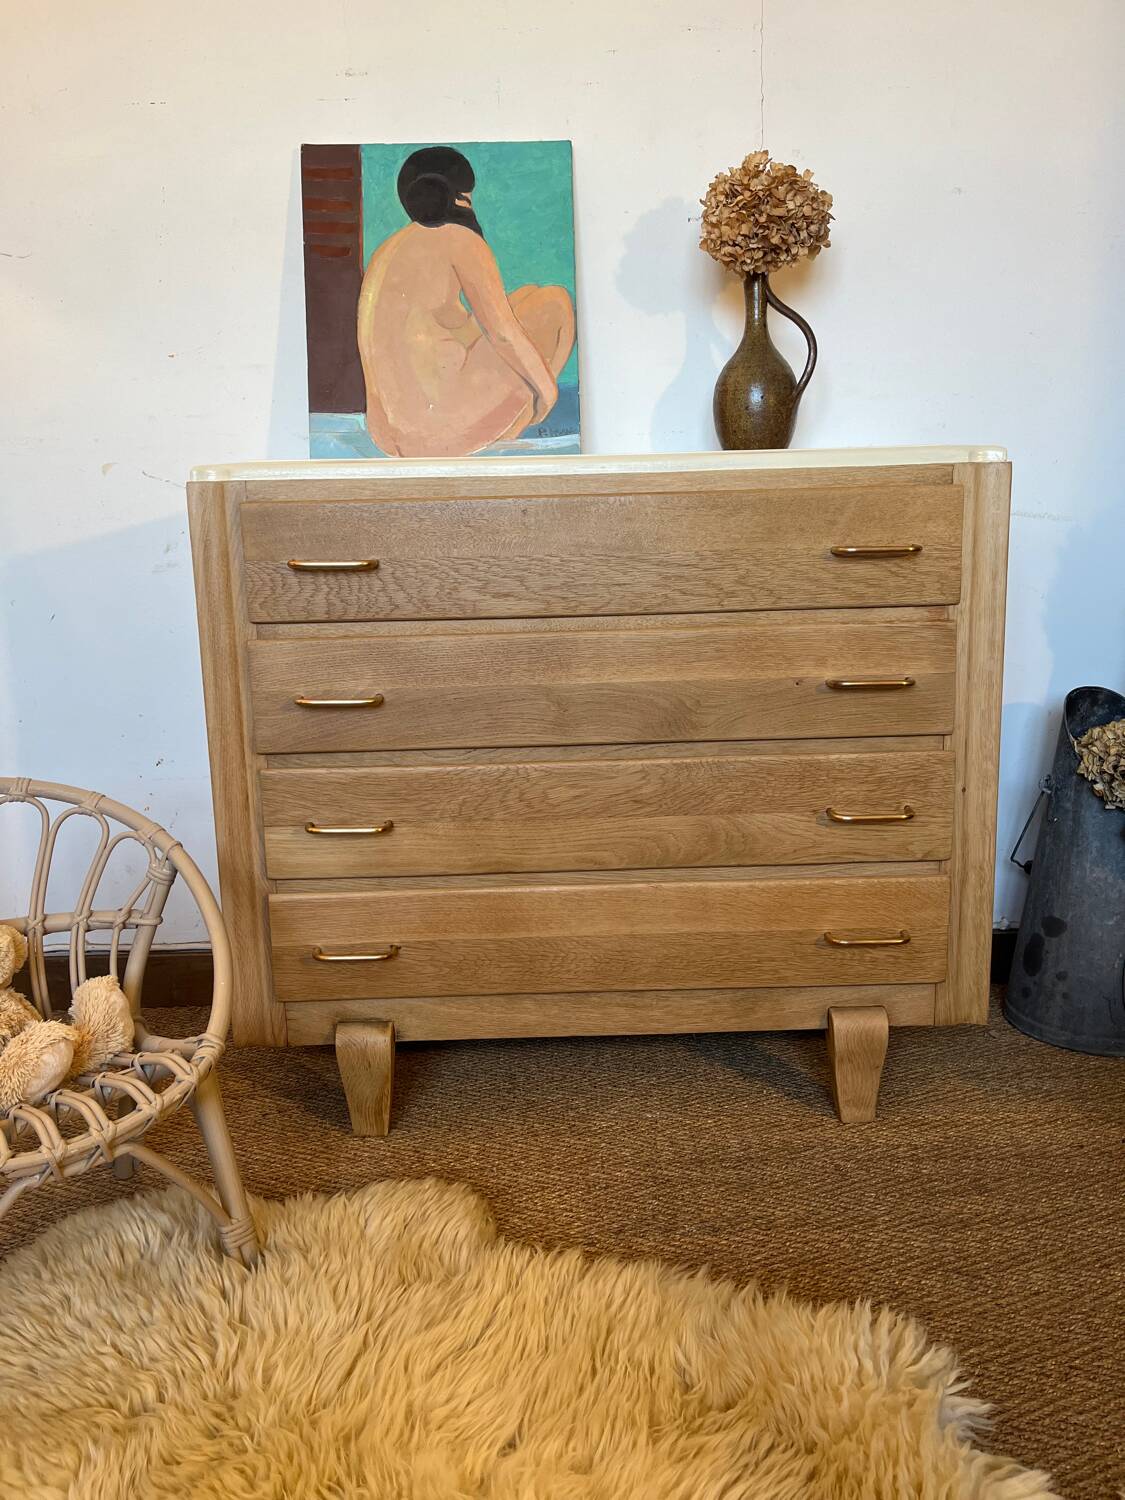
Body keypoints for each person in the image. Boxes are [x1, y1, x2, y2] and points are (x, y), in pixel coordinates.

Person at [357, 146, 575, 457]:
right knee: (554, 302)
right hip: (435, 432)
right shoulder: (461, 239)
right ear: (460, 196)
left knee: (526, 295)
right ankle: (508, 433)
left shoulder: (389, 248)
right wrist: (547, 390)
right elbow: (502, 333)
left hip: (387, 434)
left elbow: (445, 324)